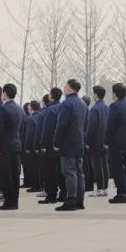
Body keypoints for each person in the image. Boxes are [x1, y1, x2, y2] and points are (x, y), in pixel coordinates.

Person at [54, 79, 89, 211]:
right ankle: (79, 200)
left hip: (67, 142)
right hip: (79, 142)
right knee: (79, 171)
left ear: (69, 88)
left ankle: (71, 200)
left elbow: (61, 125)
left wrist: (56, 143)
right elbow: (86, 124)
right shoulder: (83, 104)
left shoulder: (66, 104)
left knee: (69, 171)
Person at [0, 83, 25, 210]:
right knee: (15, 175)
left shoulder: (3, 108)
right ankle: (14, 202)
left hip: (5, 145)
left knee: (6, 175)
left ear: (5, 93)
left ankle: (8, 202)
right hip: (16, 144)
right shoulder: (20, 109)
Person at [105, 83, 126, 204]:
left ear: (115, 93)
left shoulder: (114, 106)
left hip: (117, 142)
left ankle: (121, 194)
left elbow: (110, 126)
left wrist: (106, 141)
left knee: (117, 169)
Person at [37, 88, 63, 204]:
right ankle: (63, 194)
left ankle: (51, 196)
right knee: (61, 171)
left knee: (50, 172)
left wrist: (43, 144)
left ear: (51, 97)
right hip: (61, 145)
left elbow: (47, 129)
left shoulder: (50, 109)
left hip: (50, 145)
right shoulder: (63, 107)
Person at [87, 85, 110, 197]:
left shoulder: (94, 109)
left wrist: (87, 141)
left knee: (97, 166)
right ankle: (105, 188)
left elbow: (91, 127)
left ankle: (100, 188)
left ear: (96, 95)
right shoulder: (106, 107)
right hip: (105, 140)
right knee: (105, 165)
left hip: (96, 141)